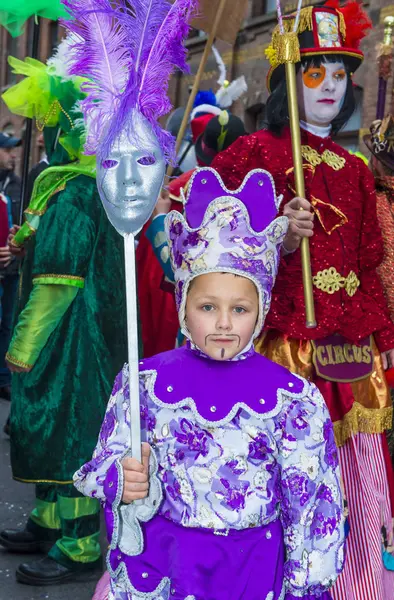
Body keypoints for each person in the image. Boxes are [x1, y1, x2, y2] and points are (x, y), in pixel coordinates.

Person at [75, 166, 345, 600]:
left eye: (239, 309)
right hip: (166, 569)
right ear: (183, 303)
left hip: (254, 574)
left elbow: (314, 507)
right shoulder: (142, 381)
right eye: (206, 306)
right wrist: (123, 480)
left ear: (263, 307)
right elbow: (99, 467)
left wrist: (305, 586)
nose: (223, 323)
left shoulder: (294, 400)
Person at [211, 2, 394, 599]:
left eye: (340, 75)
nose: (330, 88)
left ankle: (354, 584)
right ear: (289, 79)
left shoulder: (357, 168)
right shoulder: (253, 154)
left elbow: (369, 266)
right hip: (280, 351)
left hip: (349, 355)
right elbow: (209, 250)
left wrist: (384, 345)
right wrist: (275, 237)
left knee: (352, 480)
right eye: (316, 73)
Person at [0, 45, 127, 585]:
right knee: (53, 437)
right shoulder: (81, 187)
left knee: (72, 436)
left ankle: (78, 547)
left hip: (72, 343)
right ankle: (49, 521)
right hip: (80, 338)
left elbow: (57, 283)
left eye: (54, 124)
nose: (47, 133)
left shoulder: (76, 194)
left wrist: (21, 349)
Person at [137, 111, 247, 356]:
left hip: (196, 321)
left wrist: (159, 220)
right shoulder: (260, 198)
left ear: (200, 152)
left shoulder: (172, 197)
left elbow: (171, 269)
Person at [0, 132, 21, 401]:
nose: (12, 155)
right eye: (6, 151)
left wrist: (14, 252)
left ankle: (3, 378)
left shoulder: (17, 186)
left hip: (10, 268)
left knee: (7, 325)